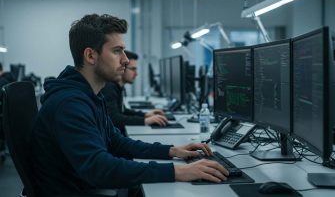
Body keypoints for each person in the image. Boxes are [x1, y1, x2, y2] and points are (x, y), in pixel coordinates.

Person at [30, 14, 228, 197]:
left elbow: (117, 142)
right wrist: (177, 171)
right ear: (90, 56)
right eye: (117, 51)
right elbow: (99, 168)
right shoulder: (69, 104)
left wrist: (172, 151)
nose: (125, 60)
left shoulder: (89, 96)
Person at [101, 50, 167, 135]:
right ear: (121, 68)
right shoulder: (109, 88)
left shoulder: (116, 87)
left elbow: (122, 111)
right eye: (133, 69)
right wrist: (145, 121)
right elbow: (114, 118)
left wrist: (145, 115)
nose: (136, 74)